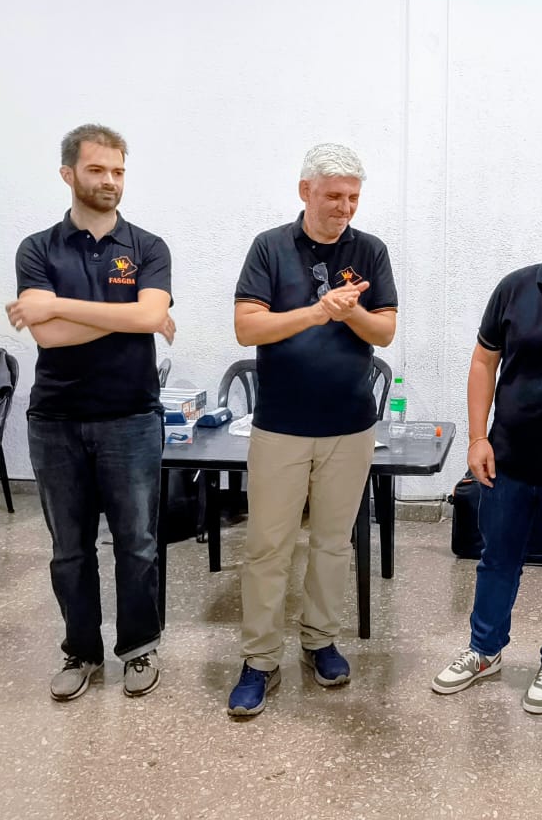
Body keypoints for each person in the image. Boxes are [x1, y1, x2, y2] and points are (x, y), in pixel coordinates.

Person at [226, 143, 397, 717]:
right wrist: (318, 312)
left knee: (332, 543)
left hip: (349, 428)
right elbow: (248, 329)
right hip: (280, 427)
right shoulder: (270, 248)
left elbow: (385, 333)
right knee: (267, 546)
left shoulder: (370, 251)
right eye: (333, 197)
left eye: (353, 197)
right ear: (305, 192)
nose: (344, 207)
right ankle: (259, 659)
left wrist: (353, 315)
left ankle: (320, 640)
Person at [6, 124, 175, 702]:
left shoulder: (148, 247)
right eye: (98, 170)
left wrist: (55, 304)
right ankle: (81, 650)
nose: (110, 181)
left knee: (138, 542)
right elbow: (48, 339)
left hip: (130, 416)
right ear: (69, 174)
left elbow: (146, 316)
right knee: (69, 548)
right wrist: (127, 314)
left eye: (119, 171)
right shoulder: (38, 248)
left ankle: (138, 648)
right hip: (54, 421)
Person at [432, 193, 542, 714]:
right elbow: (483, 363)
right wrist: (476, 437)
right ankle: (484, 651)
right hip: (507, 456)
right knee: (497, 560)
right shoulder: (514, 288)